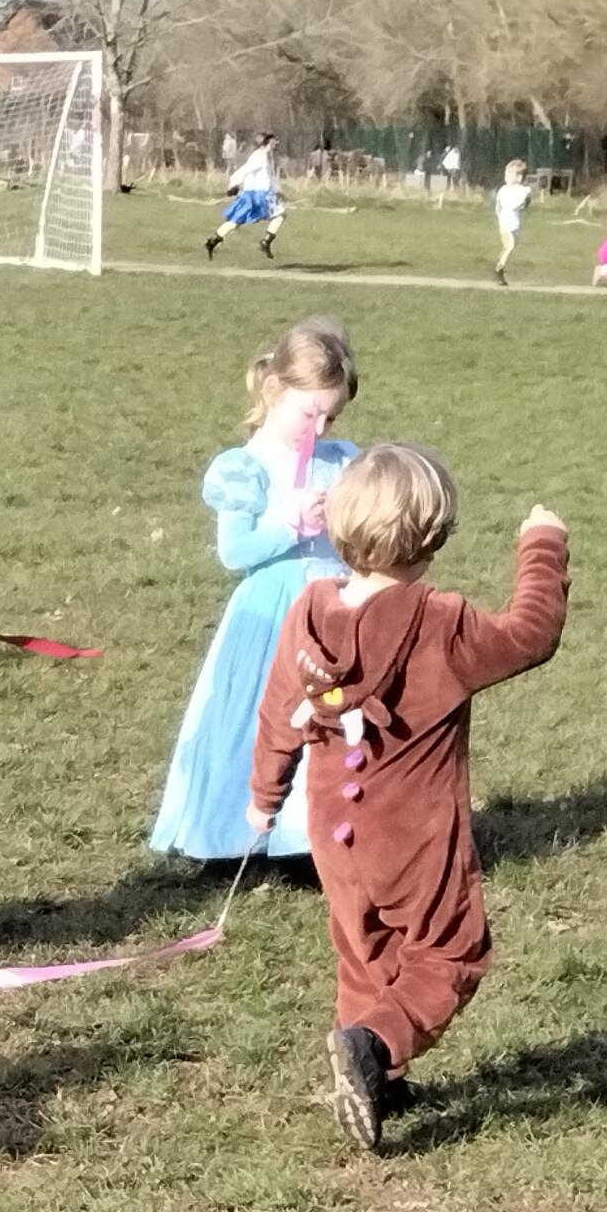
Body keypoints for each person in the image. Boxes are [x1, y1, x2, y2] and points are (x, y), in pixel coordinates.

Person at [248, 446, 570, 1150]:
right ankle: (374, 1046)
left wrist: (265, 795)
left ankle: (377, 1079)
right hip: (413, 836)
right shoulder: (439, 622)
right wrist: (543, 546)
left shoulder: (310, 610)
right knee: (452, 952)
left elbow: (277, 710)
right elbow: (530, 634)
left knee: (363, 947)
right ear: (433, 537)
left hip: (332, 831)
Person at [151, 318, 361, 865]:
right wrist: (290, 525)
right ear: (273, 390)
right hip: (270, 617)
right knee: (254, 719)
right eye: (309, 413)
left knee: (325, 721)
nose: (319, 427)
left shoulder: (342, 460)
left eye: (331, 416)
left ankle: (308, 840)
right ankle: (231, 837)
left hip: (331, 615)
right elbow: (234, 552)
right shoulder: (246, 467)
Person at [204, 131, 285, 261]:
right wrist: (233, 184)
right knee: (280, 215)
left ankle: (213, 241)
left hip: (252, 195)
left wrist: (278, 190)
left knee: (236, 221)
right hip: (259, 195)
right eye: (274, 140)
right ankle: (265, 242)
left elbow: (269, 177)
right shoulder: (259, 156)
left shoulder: (263, 156)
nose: (276, 143)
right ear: (269, 142)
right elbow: (245, 170)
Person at [492, 158, 532, 282]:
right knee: (510, 245)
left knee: (508, 246)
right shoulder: (503, 190)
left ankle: (501, 269)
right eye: (506, 173)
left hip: (515, 223)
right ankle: (499, 268)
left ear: (519, 177)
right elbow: (498, 205)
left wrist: (526, 200)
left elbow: (522, 205)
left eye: (510, 174)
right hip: (505, 222)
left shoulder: (522, 190)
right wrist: (499, 215)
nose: (507, 176)